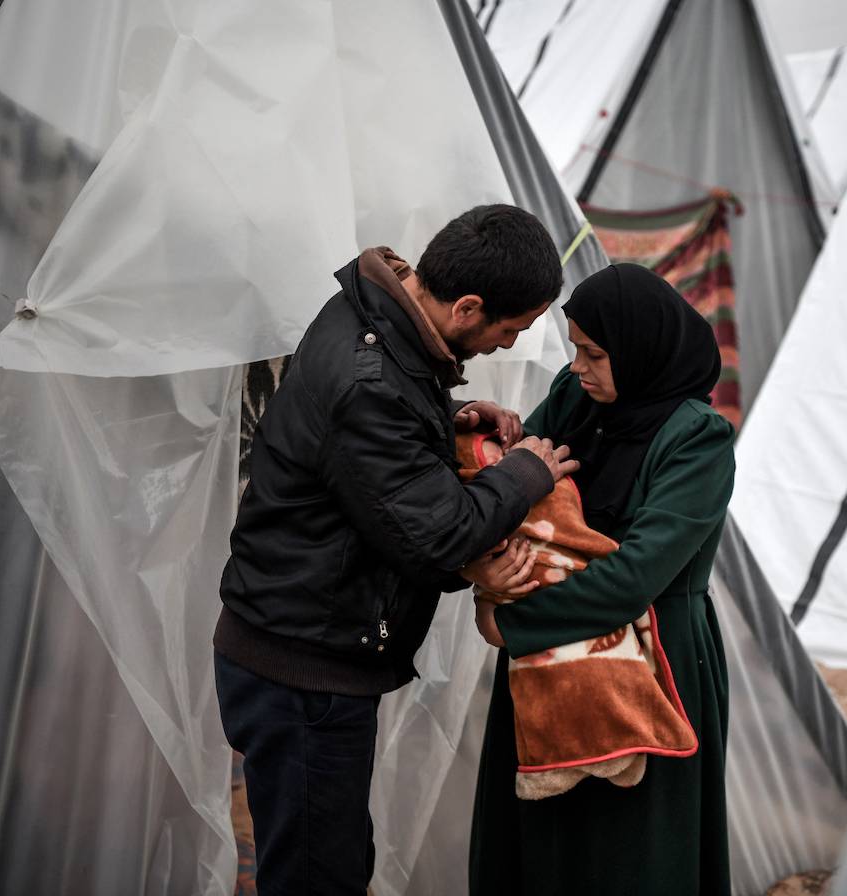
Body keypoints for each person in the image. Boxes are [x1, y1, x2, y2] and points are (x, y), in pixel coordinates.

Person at [213, 204, 579, 895]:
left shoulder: (374, 315)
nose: (507, 346)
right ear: (468, 305)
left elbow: (370, 464)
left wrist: (447, 424)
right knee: (320, 877)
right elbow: (442, 534)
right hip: (303, 671)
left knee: (330, 857)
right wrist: (526, 473)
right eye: (510, 329)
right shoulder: (370, 382)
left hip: (300, 648)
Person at [469, 263, 736, 895]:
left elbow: (634, 577)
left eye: (594, 353)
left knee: (633, 850)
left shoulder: (698, 439)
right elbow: (514, 486)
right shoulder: (576, 397)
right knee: (543, 835)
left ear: (641, 349)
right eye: (575, 348)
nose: (579, 365)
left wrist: (510, 623)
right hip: (552, 665)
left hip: (657, 660)